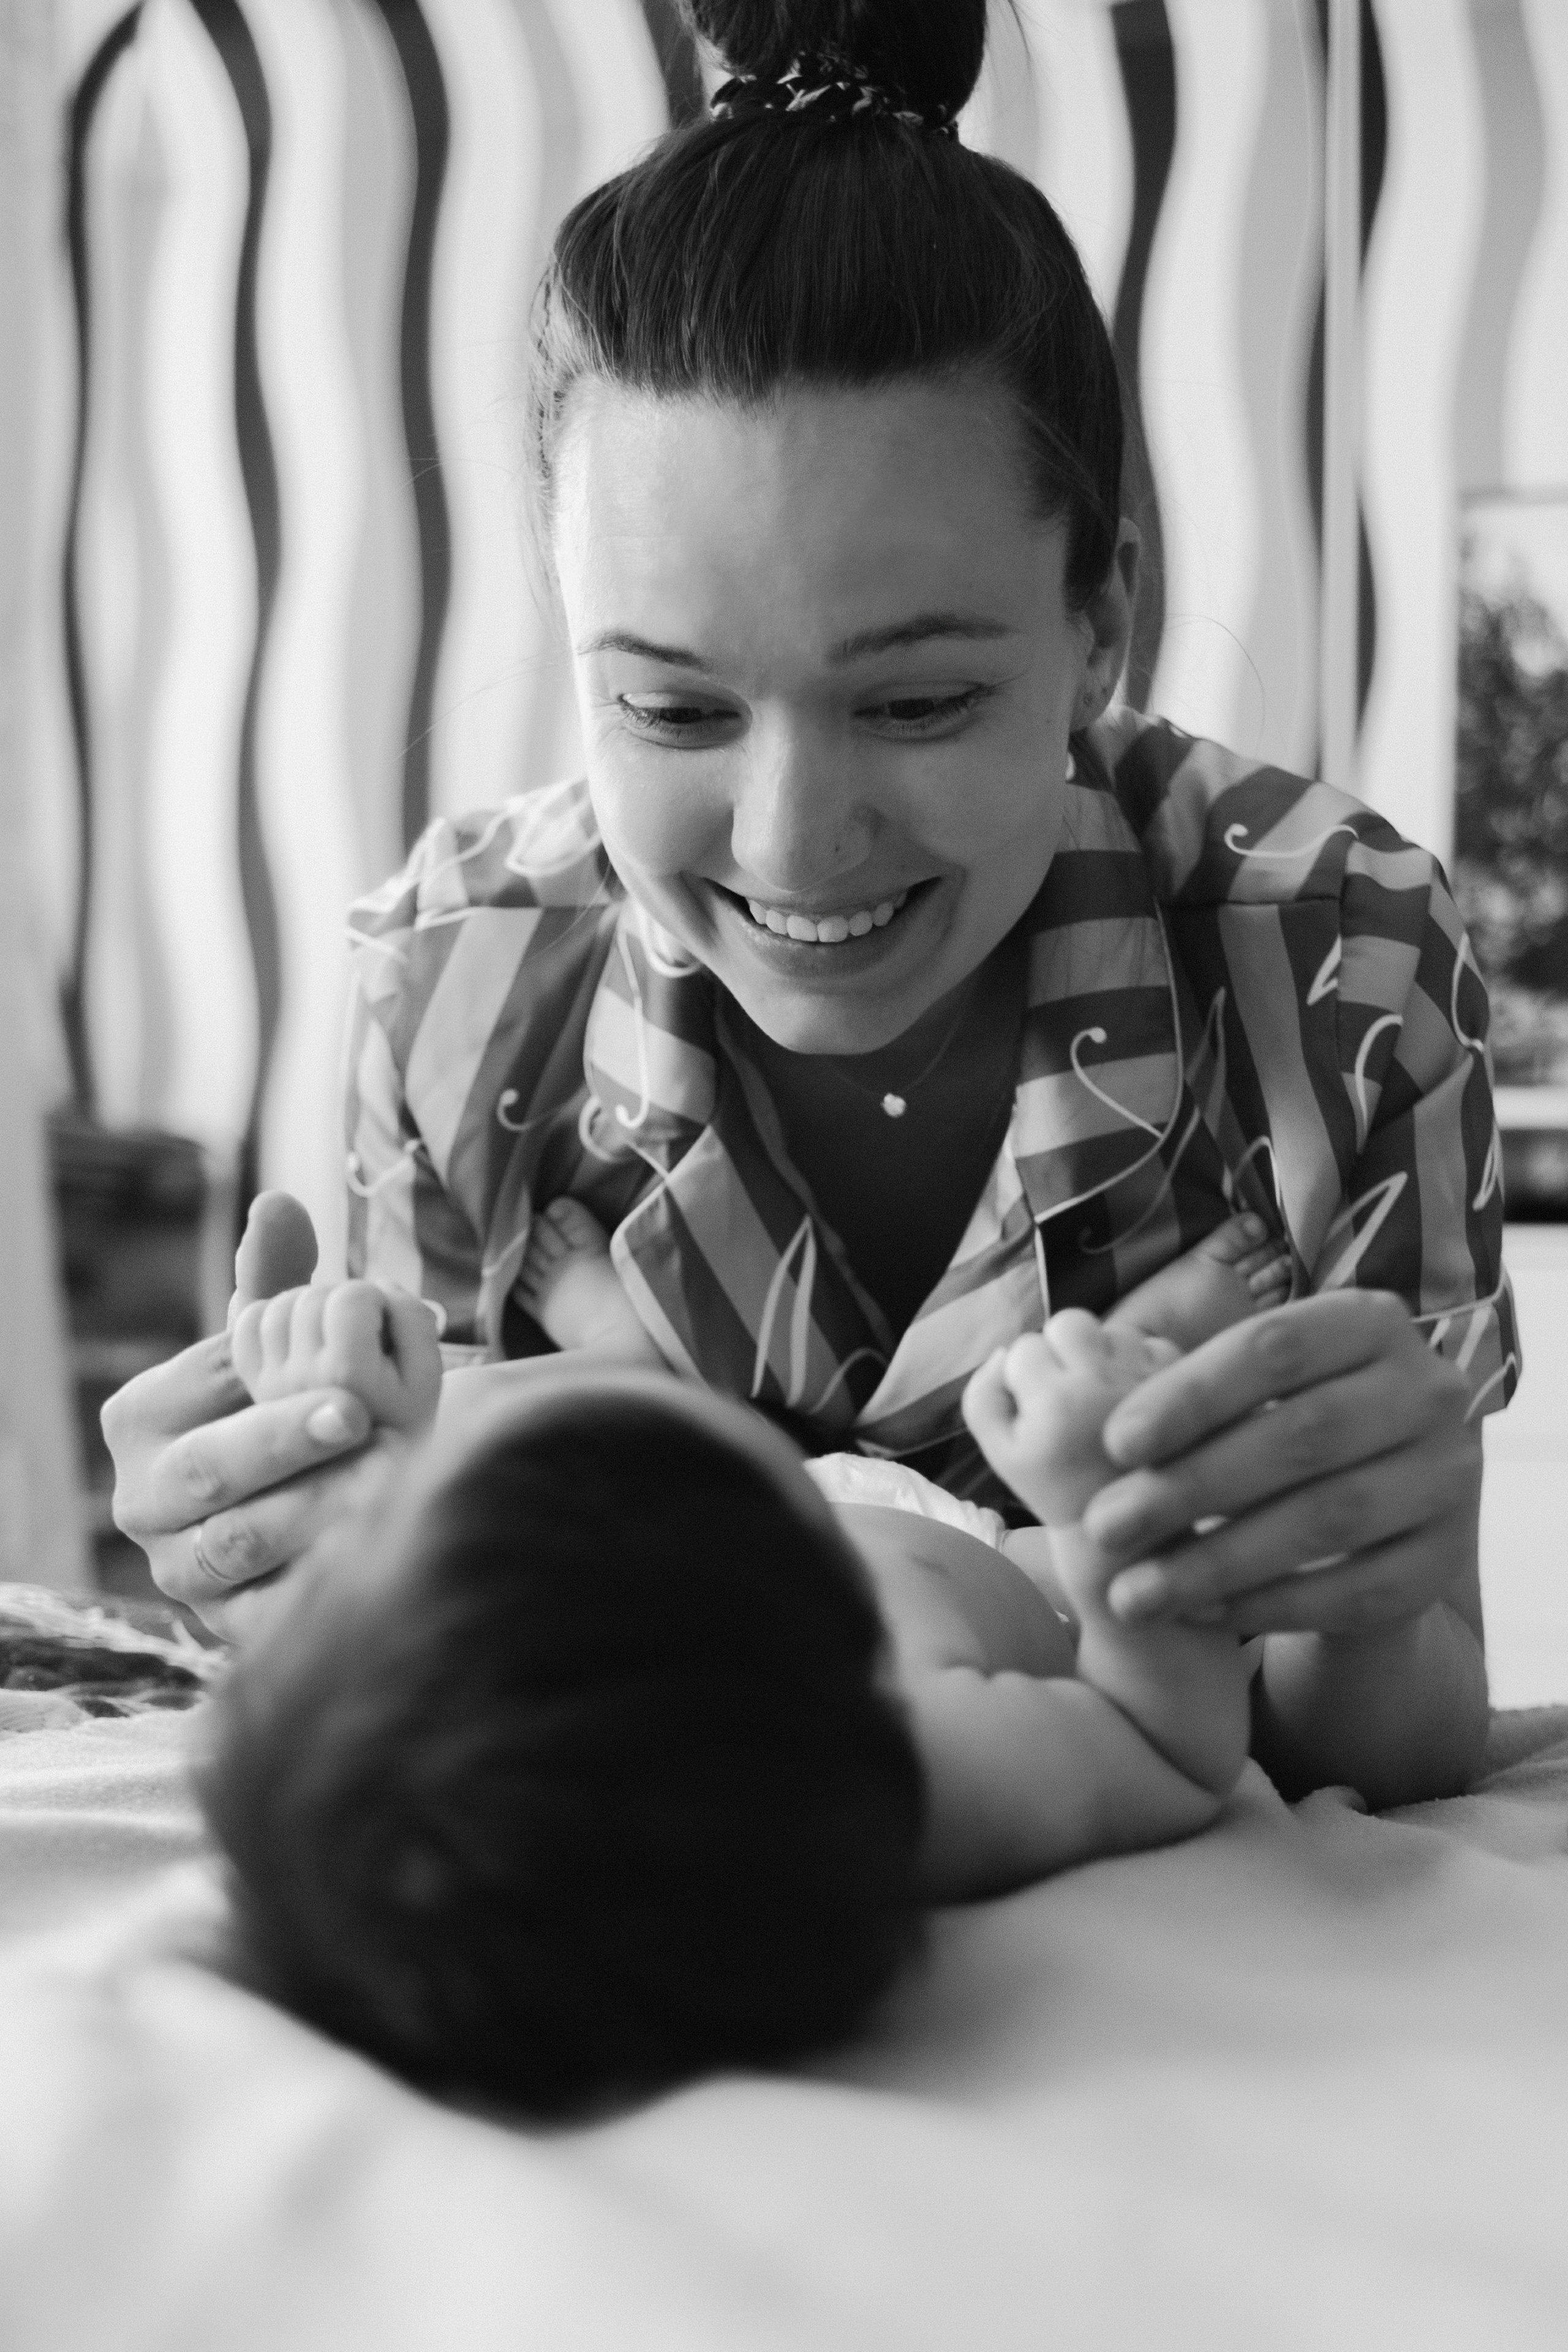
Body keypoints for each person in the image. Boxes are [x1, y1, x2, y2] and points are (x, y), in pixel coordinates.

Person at [105, 0, 1512, 1811]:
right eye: (671, 707)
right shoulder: (458, 977)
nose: (790, 844)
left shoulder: (1340, 950)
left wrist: (1367, 1592)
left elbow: (1389, 1751)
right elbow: (441, 1641)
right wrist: (283, 1548)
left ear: (1103, 627)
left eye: (916, 700)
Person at [204, 1242, 1257, 2111]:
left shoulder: (620, 1693)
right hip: (982, 1547)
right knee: (1070, 1392)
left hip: (789, 1505)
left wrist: (341, 1446)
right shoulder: (915, 1759)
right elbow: (1168, 1745)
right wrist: (1109, 1508)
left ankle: (617, 1351)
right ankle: (1136, 1359)